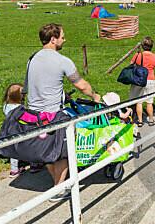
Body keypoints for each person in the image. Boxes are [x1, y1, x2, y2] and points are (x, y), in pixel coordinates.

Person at [27, 23, 100, 202]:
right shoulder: (62, 60)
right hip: (53, 114)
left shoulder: (32, 58)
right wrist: (95, 95)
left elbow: (30, 85)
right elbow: (81, 84)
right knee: (64, 152)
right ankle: (59, 188)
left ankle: (57, 182)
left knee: (46, 150)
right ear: (53, 39)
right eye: (62, 36)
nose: (64, 39)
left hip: (34, 114)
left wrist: (61, 94)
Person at [130, 36, 155, 126]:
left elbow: (131, 65)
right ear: (152, 46)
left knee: (139, 101)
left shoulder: (138, 55)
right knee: (149, 102)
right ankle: (151, 120)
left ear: (143, 45)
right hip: (150, 80)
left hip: (139, 79)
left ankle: (140, 121)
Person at [3, 83, 25, 178]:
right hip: (20, 130)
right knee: (30, 145)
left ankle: (14, 170)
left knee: (13, 152)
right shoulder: (20, 108)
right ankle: (35, 165)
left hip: (9, 130)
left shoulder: (6, 106)